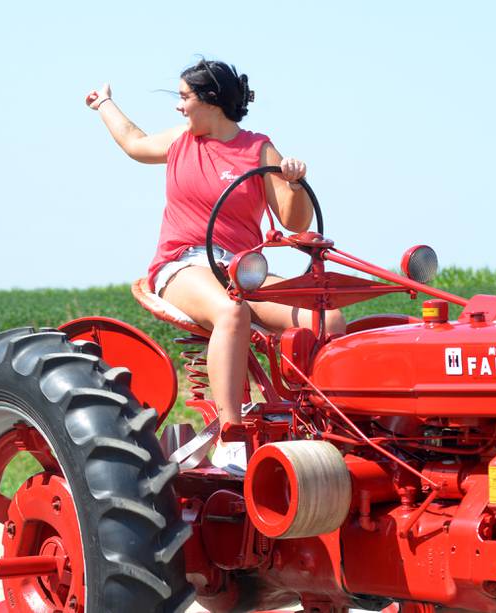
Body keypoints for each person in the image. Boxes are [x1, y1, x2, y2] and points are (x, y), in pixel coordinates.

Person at [86, 59, 345, 471]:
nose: (179, 107)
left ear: (211, 102)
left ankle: (321, 423)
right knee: (230, 310)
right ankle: (231, 435)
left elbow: (295, 221)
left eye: (184, 98)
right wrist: (104, 104)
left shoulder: (259, 149)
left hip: (242, 270)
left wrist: (293, 183)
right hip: (182, 263)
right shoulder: (180, 141)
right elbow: (134, 143)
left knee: (327, 319)